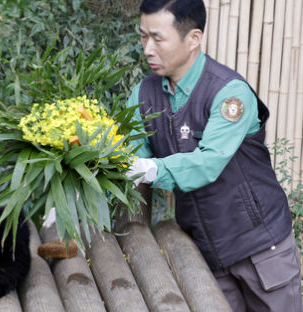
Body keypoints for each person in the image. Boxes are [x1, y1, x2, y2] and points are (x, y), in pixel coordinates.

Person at [125, 0, 302, 311]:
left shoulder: (228, 93)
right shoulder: (142, 95)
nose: (148, 49)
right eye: (143, 37)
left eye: (157, 38)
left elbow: (208, 163)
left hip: (260, 247)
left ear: (193, 38)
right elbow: (127, 155)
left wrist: (148, 169)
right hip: (205, 251)